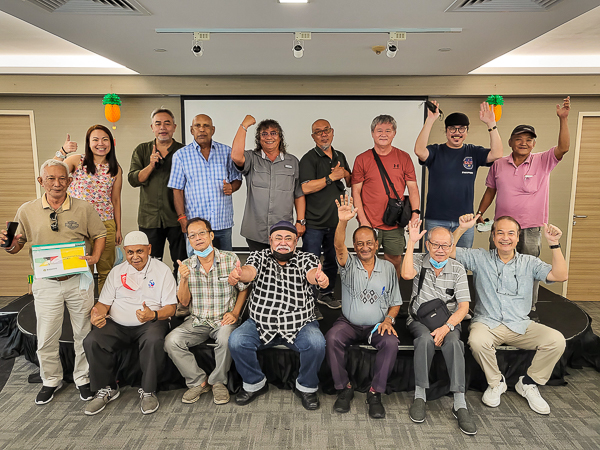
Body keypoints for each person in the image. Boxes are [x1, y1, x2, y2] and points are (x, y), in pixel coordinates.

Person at [1, 159, 106, 405]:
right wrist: (9, 245)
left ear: (70, 181)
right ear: (41, 181)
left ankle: (83, 378)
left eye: (62, 179)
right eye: (51, 178)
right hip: (46, 282)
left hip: (79, 280)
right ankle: (50, 380)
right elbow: (15, 245)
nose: (57, 183)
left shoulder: (84, 208)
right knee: (47, 334)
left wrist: (95, 257)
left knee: (83, 332)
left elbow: (100, 234)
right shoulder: (26, 210)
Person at [450, 214, 568, 415]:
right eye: (500, 233)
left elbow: (560, 275)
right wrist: (462, 228)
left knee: (556, 341)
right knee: (477, 341)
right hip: (487, 323)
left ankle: (528, 383)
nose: (505, 238)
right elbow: (447, 250)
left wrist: (554, 244)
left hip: (520, 324)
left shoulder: (529, 262)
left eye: (511, 233)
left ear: (518, 237)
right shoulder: (480, 258)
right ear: (493, 236)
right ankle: (496, 382)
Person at [476, 96, 571, 308]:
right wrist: (480, 212)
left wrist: (563, 119)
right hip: (501, 228)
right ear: (510, 142)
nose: (524, 143)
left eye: (529, 140)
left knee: (528, 269)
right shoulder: (499, 164)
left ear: (534, 144)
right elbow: (491, 190)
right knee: (496, 267)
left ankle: (527, 308)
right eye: (519, 139)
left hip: (530, 228)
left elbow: (563, 147)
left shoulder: (543, 160)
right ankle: (495, 306)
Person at [227, 221, 327, 410]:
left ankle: (306, 387)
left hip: (299, 324)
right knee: (237, 341)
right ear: (270, 241)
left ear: (296, 242)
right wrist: (240, 274)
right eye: (278, 238)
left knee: (316, 343)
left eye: (288, 238)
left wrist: (319, 278)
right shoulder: (259, 256)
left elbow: (312, 273)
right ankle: (255, 383)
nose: (283, 242)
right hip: (261, 324)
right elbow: (250, 272)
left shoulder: (307, 258)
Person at [83, 231, 177, 416]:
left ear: (149, 249)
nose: (135, 257)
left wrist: (153, 314)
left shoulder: (162, 270)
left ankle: (148, 391)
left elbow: (171, 308)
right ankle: (107, 388)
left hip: (151, 322)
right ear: (125, 251)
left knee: (153, 340)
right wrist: (96, 314)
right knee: (92, 340)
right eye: (130, 252)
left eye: (140, 251)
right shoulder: (117, 271)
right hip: (118, 324)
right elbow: (103, 304)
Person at [327, 195, 401, 419]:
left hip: (377, 325)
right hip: (349, 323)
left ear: (377, 245)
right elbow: (338, 246)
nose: (365, 247)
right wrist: (343, 221)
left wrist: (388, 320)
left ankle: (374, 393)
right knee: (332, 338)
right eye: (360, 243)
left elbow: (396, 302)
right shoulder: (348, 263)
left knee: (391, 342)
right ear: (355, 246)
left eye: (369, 243)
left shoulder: (388, 268)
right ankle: (344, 389)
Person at [164, 218, 249, 406]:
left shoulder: (229, 259)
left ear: (211, 235)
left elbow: (244, 289)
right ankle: (198, 381)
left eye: (202, 233)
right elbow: (184, 302)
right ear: (189, 240)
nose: (198, 238)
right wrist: (184, 279)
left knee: (227, 339)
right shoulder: (186, 265)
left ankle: (218, 382)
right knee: (171, 341)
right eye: (192, 236)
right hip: (197, 320)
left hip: (223, 320)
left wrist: (235, 313)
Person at [401, 221, 476, 435]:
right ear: (427, 245)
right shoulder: (418, 260)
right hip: (419, 320)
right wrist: (410, 242)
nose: (440, 250)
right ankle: (420, 395)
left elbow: (464, 307)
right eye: (435, 245)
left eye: (445, 245)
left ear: (452, 247)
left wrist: (446, 327)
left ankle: (459, 402)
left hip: (448, 321)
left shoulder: (458, 269)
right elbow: (406, 274)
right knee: (424, 339)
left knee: (454, 343)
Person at [414, 101, 503, 248]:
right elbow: (419, 151)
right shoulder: (435, 151)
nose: (457, 132)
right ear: (446, 131)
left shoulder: (473, 152)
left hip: (465, 220)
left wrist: (491, 124)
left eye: (461, 129)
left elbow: (497, 153)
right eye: (452, 128)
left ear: (467, 131)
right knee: (434, 257)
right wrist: (430, 120)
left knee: (462, 259)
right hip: (436, 219)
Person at [55, 125, 122, 293]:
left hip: (105, 224)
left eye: (105, 139)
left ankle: (105, 304)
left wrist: (118, 228)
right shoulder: (77, 161)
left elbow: (115, 200)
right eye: (95, 139)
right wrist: (63, 151)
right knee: (82, 269)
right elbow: (53, 172)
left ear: (111, 143)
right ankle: (84, 304)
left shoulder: (115, 168)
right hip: (78, 224)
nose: (101, 143)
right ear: (88, 142)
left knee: (106, 269)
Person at [352, 114, 420, 276]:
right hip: (369, 222)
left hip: (394, 223)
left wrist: (415, 214)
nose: (383, 134)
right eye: (379, 130)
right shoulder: (362, 159)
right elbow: (356, 191)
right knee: (366, 263)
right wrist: (363, 220)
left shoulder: (404, 157)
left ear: (394, 133)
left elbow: (413, 188)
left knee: (394, 262)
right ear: (372, 133)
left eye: (388, 130)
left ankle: (392, 291)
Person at [168, 114, 242, 254]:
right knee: (195, 263)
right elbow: (177, 189)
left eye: (206, 126)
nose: (202, 129)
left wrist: (232, 187)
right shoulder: (181, 155)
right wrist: (182, 218)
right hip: (196, 226)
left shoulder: (226, 152)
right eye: (198, 126)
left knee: (226, 263)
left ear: (212, 130)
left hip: (222, 222)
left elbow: (237, 179)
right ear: (192, 130)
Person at [232, 115, 306, 252]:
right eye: (264, 134)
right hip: (255, 230)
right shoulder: (252, 158)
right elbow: (236, 156)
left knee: (282, 265)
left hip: (283, 230)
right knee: (258, 265)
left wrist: (300, 221)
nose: (269, 137)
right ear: (259, 139)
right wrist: (244, 126)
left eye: (273, 133)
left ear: (280, 137)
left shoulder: (292, 161)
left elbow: (298, 194)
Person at [299, 119, 352, 311]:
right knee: (311, 262)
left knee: (332, 260)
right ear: (313, 137)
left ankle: (326, 294)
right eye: (318, 132)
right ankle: (309, 302)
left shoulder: (340, 156)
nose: (323, 134)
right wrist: (330, 177)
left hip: (336, 222)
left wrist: (345, 173)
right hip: (314, 222)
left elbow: (350, 181)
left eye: (326, 130)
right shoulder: (308, 159)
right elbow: (305, 188)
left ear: (332, 132)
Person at [128, 107, 187, 276]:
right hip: (150, 218)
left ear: (174, 127)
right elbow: (133, 180)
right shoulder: (142, 150)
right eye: (158, 123)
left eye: (167, 123)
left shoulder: (184, 151)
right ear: (152, 127)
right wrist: (150, 165)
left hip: (177, 217)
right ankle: (153, 292)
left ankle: (180, 292)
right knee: (151, 263)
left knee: (182, 262)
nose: (163, 127)